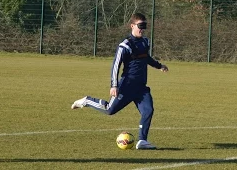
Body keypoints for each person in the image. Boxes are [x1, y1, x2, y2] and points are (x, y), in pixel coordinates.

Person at [71, 13, 168, 150]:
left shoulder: (146, 42)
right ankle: (87, 101)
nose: (142, 29)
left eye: (144, 26)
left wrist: (159, 66)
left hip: (141, 87)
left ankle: (142, 141)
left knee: (148, 111)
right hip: (126, 86)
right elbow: (116, 65)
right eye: (140, 26)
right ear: (132, 26)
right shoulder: (125, 45)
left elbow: (146, 58)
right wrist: (114, 85)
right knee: (110, 110)